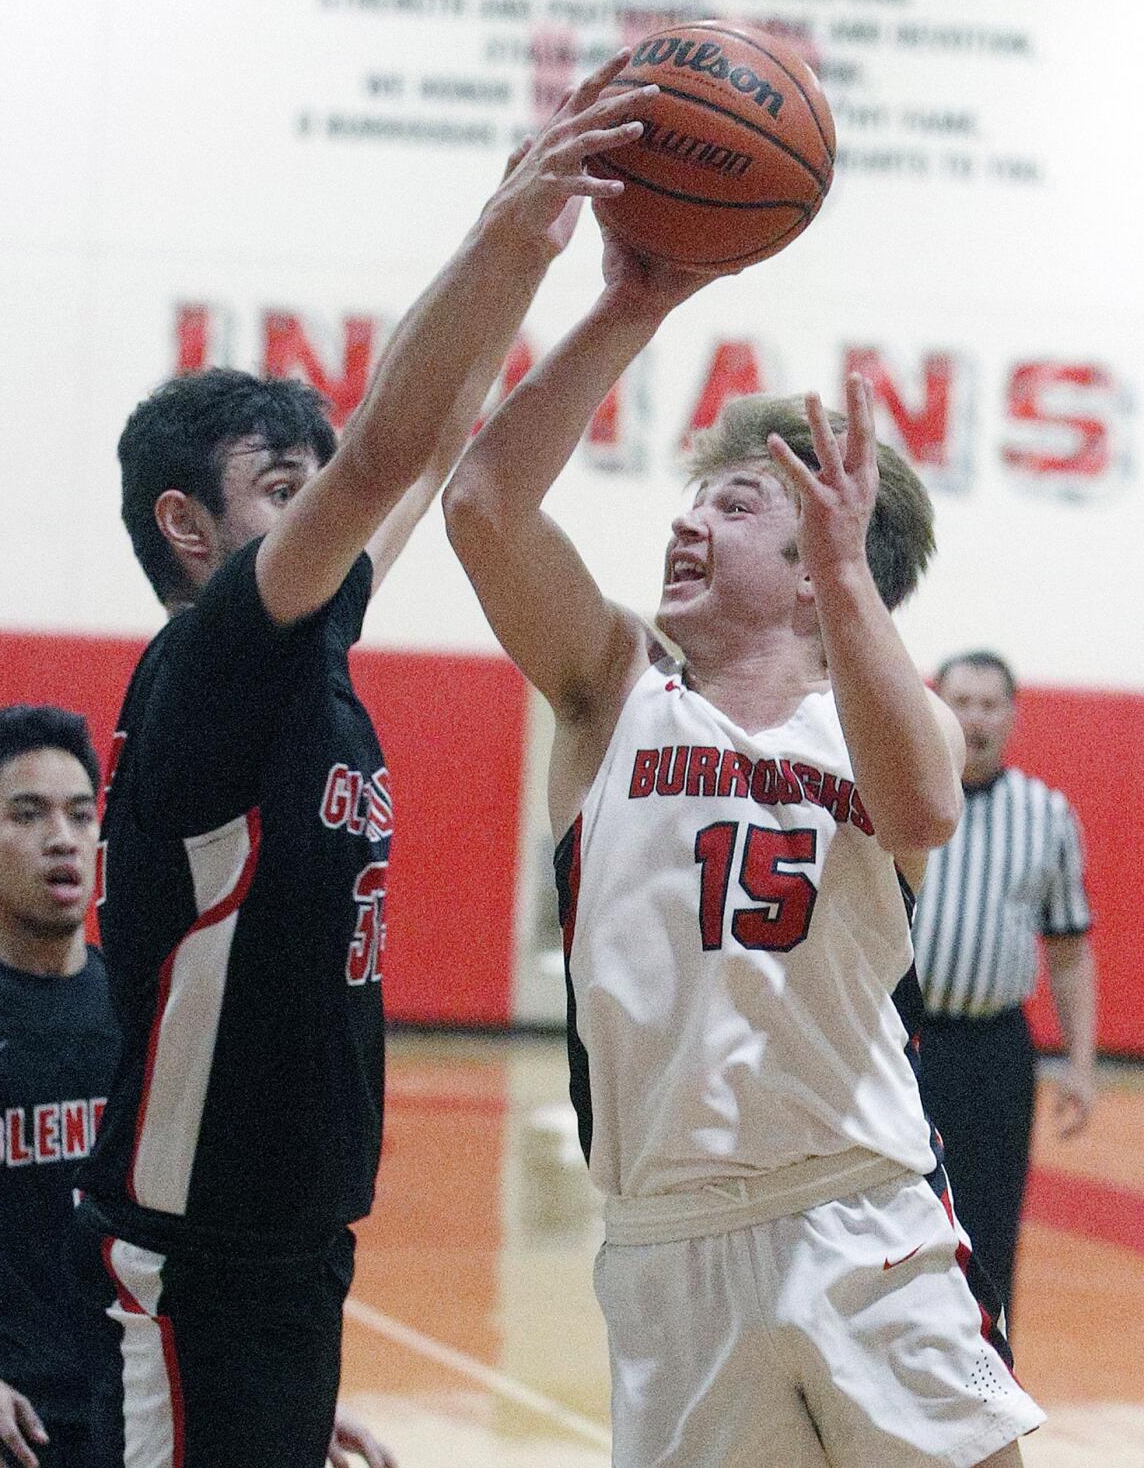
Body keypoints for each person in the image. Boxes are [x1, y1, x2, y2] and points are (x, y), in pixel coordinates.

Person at [74, 53, 654, 1468]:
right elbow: (392, 450)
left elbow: (442, 434)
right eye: (282, 488)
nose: (319, 510)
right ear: (189, 528)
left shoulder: (311, 653)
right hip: (187, 1259)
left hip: (294, 1245)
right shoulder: (211, 666)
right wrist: (515, 223)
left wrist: (633, 302)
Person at [443, 221, 1046, 1464]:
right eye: (693, 499)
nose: (687, 524)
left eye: (735, 501)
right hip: (663, 1232)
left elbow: (927, 811)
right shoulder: (613, 686)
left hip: (856, 1203)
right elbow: (483, 504)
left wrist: (846, 574)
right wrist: (630, 307)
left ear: (825, 550)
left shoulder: (889, 717)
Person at [0, 704, 116, 1468]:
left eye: (82, 814)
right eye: (28, 813)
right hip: (3, 1425)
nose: (63, 837)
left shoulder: (145, 1005)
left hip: (137, 1413)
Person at [912, 648, 1096, 1322]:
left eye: (990, 704)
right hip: (903, 1042)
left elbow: (1071, 950)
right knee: (892, 1217)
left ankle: (983, 1378)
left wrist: (1080, 1065)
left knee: (988, 1227)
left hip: (995, 1052)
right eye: (962, 701)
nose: (976, 718)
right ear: (936, 705)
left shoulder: (1046, 814)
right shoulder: (898, 791)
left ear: (1013, 715)